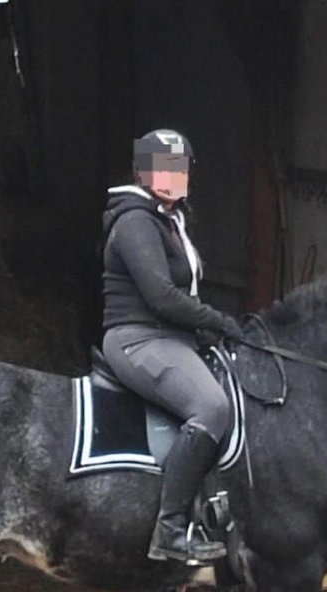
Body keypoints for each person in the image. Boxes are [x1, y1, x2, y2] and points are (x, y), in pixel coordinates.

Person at [100, 129, 243, 564]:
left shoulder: (169, 218)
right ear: (142, 172)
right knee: (213, 408)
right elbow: (161, 296)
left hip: (173, 337)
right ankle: (172, 529)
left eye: (178, 168)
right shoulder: (136, 221)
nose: (171, 176)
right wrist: (217, 322)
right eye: (161, 168)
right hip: (138, 337)